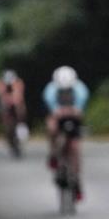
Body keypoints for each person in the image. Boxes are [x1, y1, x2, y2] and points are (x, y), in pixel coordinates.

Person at [43, 66, 90, 199]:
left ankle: (77, 181)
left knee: (75, 148)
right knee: (51, 128)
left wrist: (74, 111)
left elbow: (79, 111)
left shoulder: (81, 89)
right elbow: (52, 110)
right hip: (58, 116)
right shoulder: (50, 90)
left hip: (73, 117)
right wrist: (58, 112)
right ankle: (53, 154)